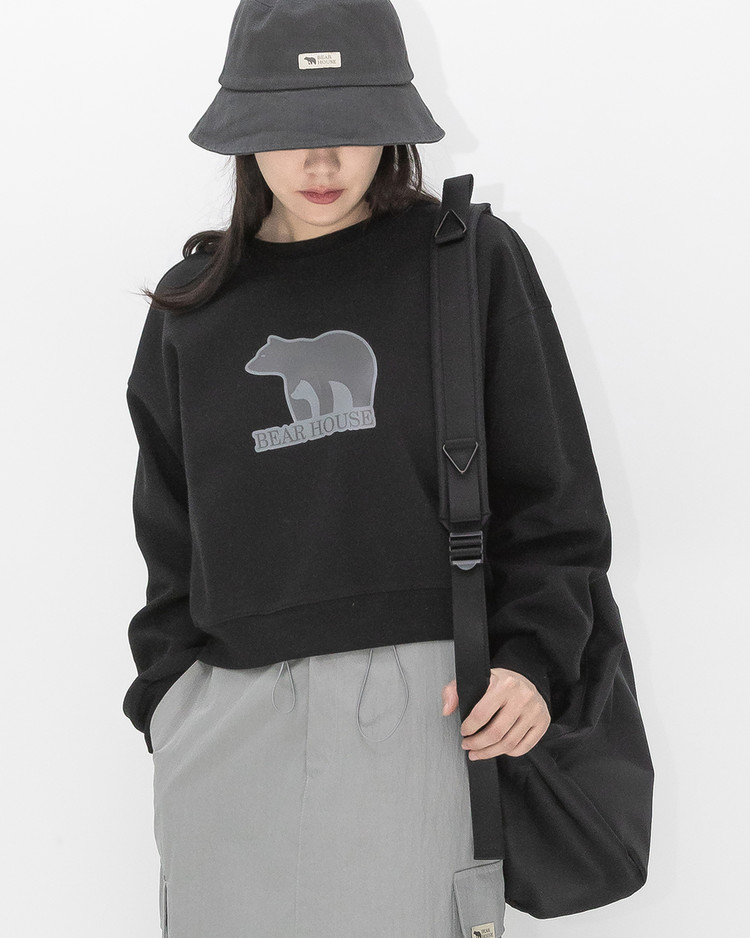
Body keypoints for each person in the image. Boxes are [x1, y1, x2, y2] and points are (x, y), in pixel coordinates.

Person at [123, 1, 616, 935]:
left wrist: (530, 660)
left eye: (350, 128)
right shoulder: (193, 308)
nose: (323, 163)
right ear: (244, 131)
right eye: (293, 131)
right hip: (224, 725)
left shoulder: (464, 262)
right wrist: (170, 703)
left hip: (423, 708)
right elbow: (170, 541)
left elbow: (553, 499)